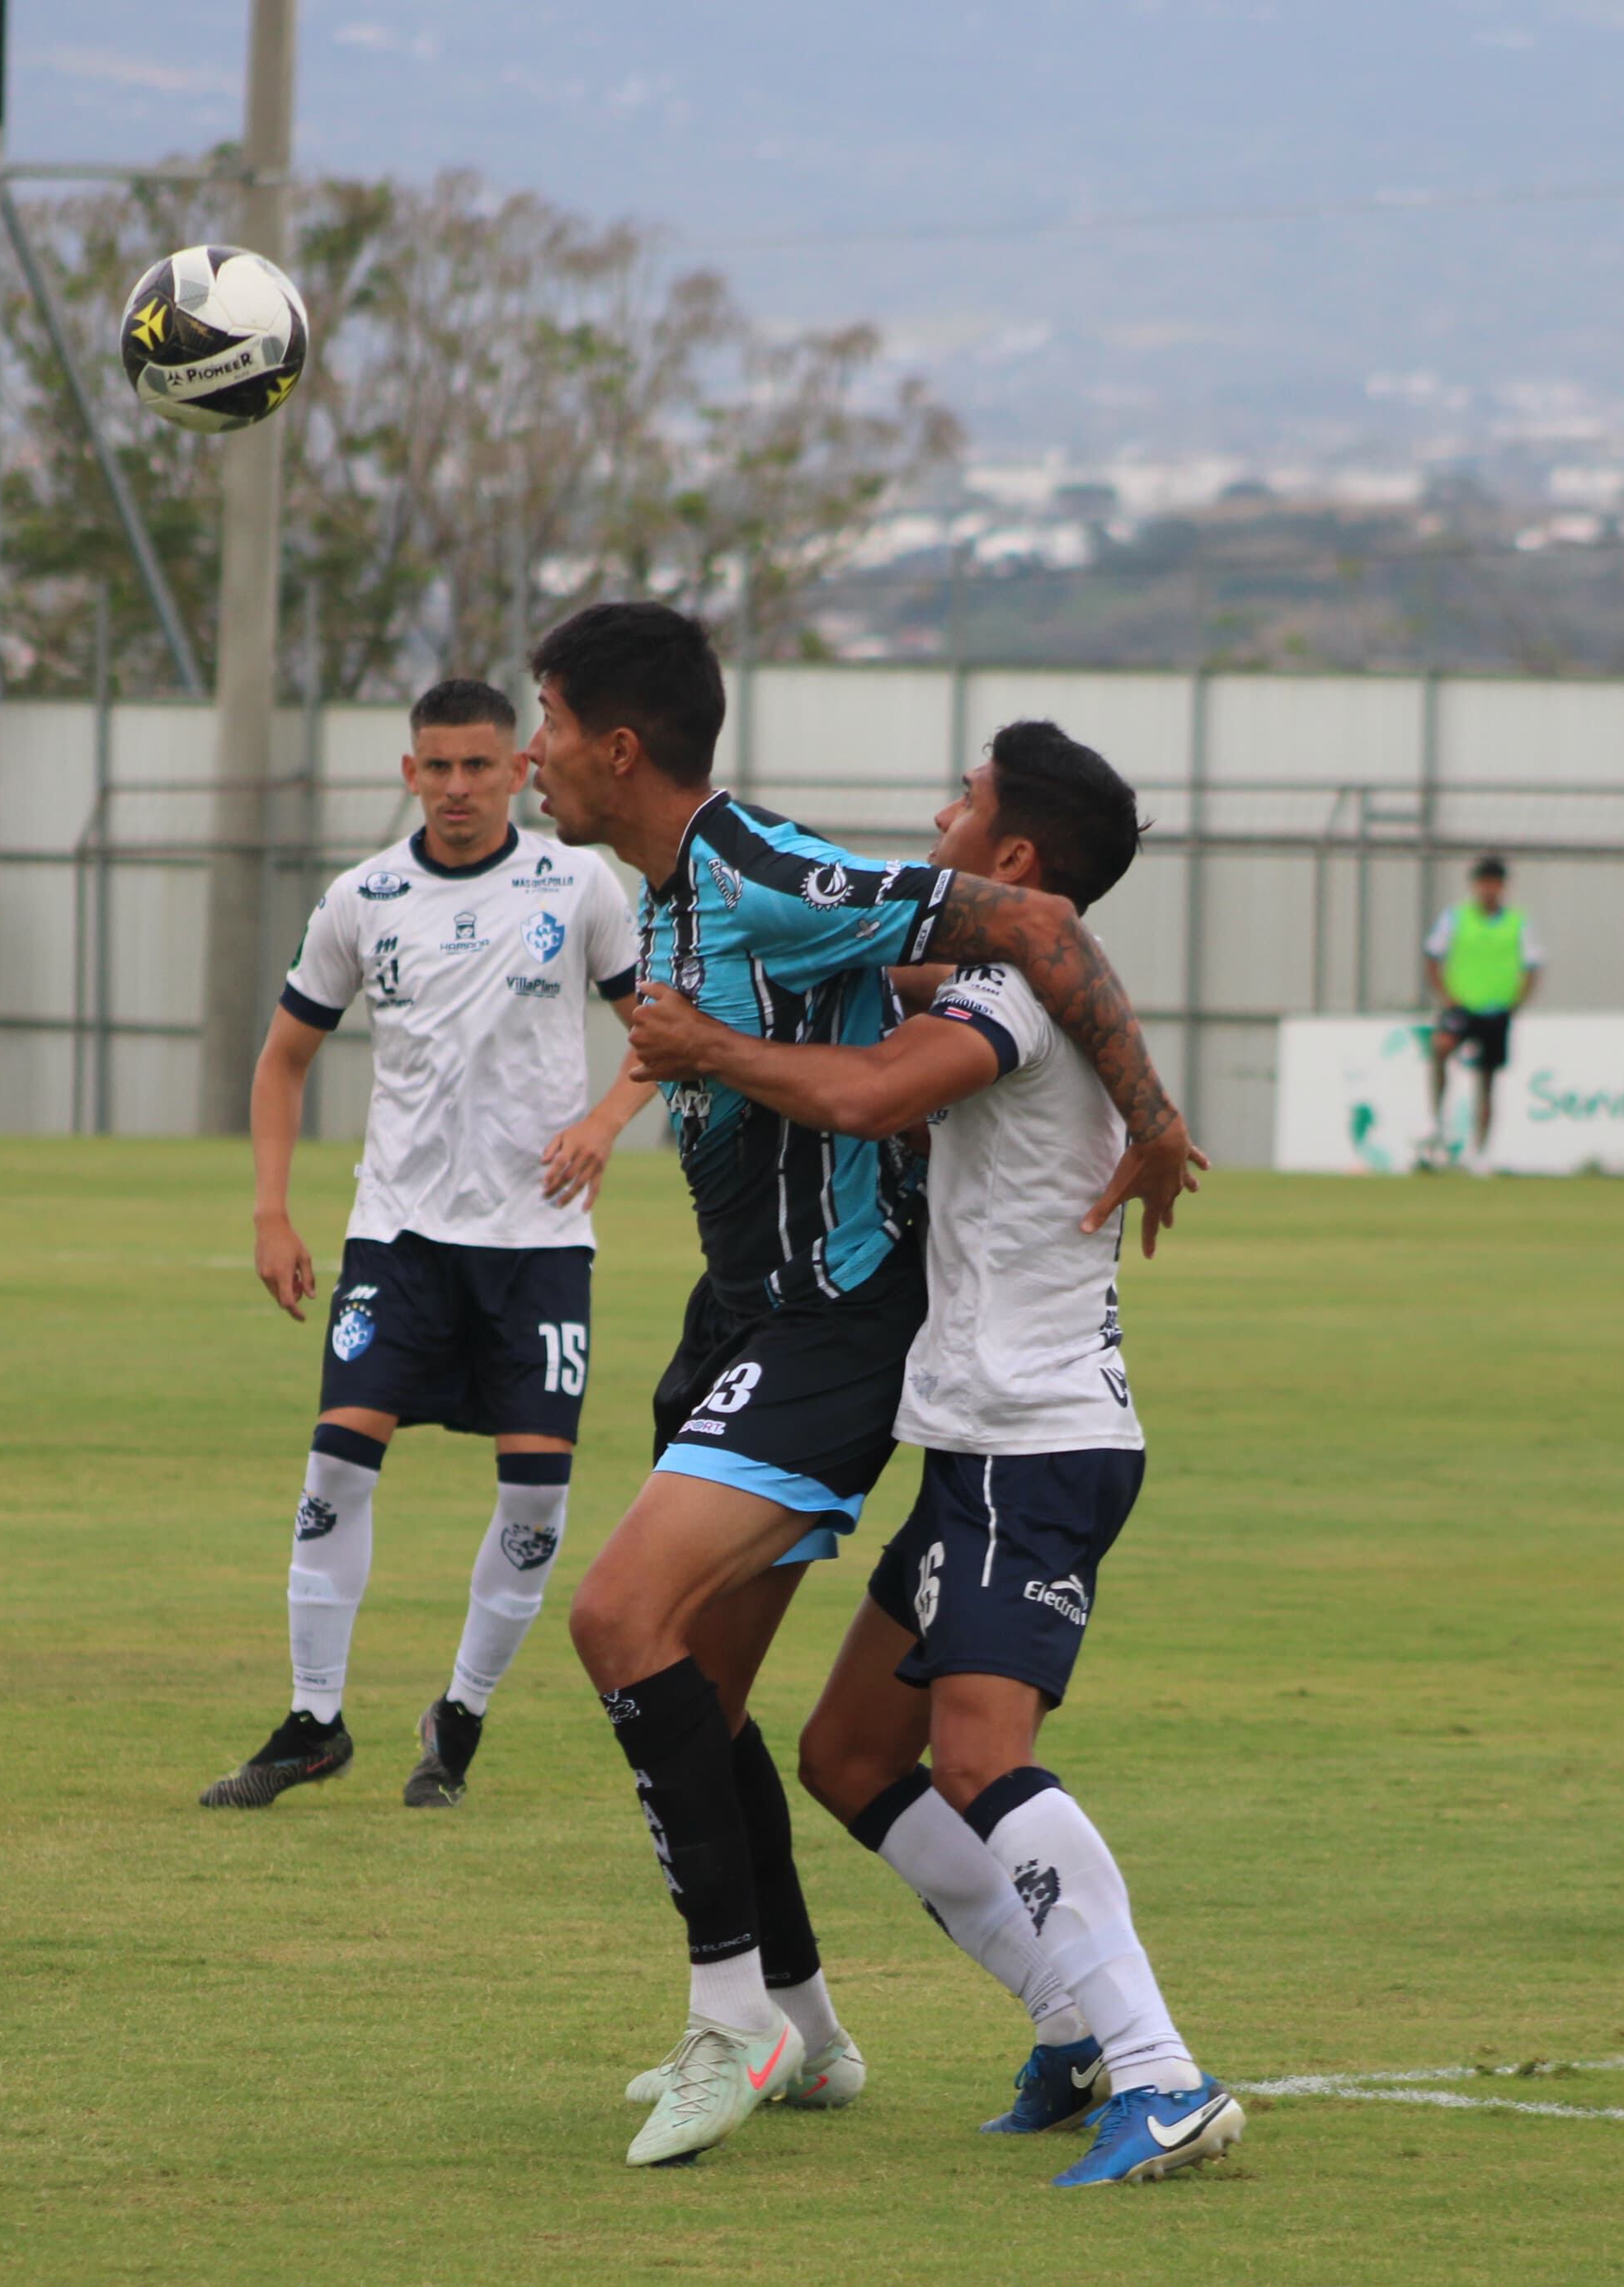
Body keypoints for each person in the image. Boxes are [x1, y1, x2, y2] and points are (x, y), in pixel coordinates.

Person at [521, 601, 1196, 2170]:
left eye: (544, 720)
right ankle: (812, 2026)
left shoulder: (769, 867)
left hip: (856, 1343)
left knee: (630, 1624)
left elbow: (1025, 947)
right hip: (769, 1324)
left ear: (615, 745)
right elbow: (824, 1020)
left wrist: (1156, 1117)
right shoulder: (684, 896)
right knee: (759, 1714)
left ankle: (755, 2015)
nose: (537, 749)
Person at [202, 678, 656, 1812]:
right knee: (335, 1466)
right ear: (409, 773)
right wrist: (271, 1210)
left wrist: (603, 1123)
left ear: (518, 770)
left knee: (539, 1497)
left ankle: (457, 1718)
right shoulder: (363, 897)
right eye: (436, 767)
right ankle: (314, 1721)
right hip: (397, 1240)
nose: (457, 788)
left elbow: (667, 1031)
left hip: (538, 1247)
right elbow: (281, 1063)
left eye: (479, 766)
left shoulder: (579, 882)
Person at [1420, 855, 1542, 1169]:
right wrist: (1446, 996)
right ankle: (1438, 1125)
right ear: (1475, 886)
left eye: (1495, 884)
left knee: (1486, 1081)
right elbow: (1433, 957)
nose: (1489, 890)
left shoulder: (1517, 922)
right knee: (1441, 1047)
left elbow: (1532, 966)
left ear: (1503, 887)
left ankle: (1481, 1151)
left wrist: (1517, 1003)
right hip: (1461, 1006)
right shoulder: (1456, 918)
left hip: (1497, 1010)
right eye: (1483, 883)